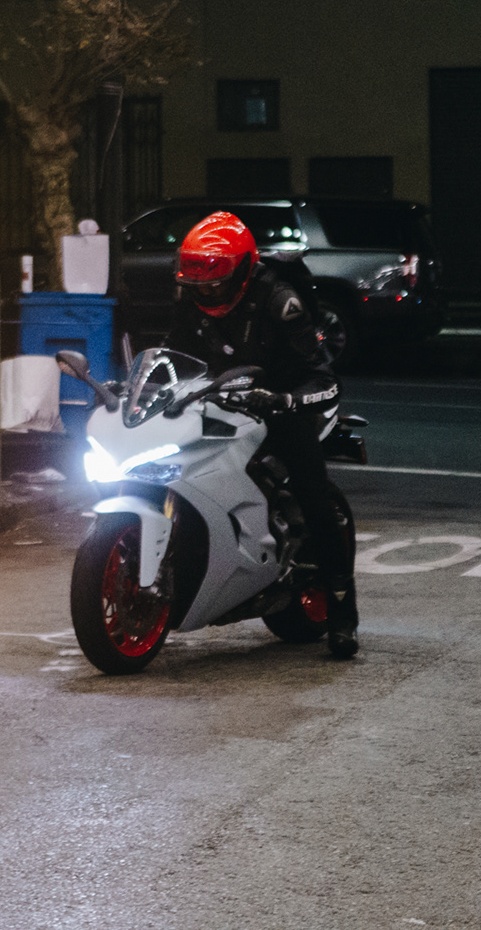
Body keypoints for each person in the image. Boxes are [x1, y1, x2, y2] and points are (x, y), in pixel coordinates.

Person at [165, 211, 360, 659]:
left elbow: (324, 379)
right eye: (197, 283)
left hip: (282, 406)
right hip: (221, 400)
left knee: (313, 497)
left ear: (241, 272)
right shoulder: (192, 295)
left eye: (214, 283)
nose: (205, 291)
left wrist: (285, 399)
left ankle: (343, 612)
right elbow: (172, 354)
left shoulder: (280, 301)